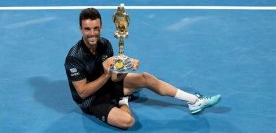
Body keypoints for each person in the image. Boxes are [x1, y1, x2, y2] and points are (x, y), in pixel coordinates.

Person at [64, 8, 221, 129]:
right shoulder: (74, 58)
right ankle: (123, 100)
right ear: (80, 29)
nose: (92, 33)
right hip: (92, 101)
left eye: (96, 28)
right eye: (87, 29)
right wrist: (106, 75)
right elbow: (83, 92)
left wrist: (126, 66)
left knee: (146, 77)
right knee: (128, 122)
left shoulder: (105, 44)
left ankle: (194, 101)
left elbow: (115, 78)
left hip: (108, 86)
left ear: (101, 27)